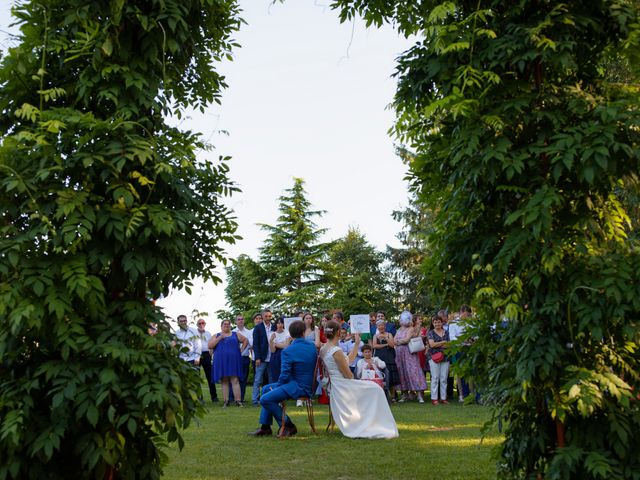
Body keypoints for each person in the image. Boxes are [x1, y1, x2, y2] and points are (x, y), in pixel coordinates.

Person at [320, 320, 398, 439]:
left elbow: (348, 360)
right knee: (376, 389)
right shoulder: (336, 351)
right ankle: (372, 422)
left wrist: (357, 343)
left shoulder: (324, 348)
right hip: (342, 385)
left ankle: (370, 420)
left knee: (373, 387)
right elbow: (348, 375)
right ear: (337, 333)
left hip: (336, 384)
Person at [248, 320, 317, 437]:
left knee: (265, 399)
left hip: (297, 387)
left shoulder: (288, 350)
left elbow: (284, 374)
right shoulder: (311, 346)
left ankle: (288, 425)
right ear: (304, 332)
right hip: (306, 385)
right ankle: (265, 427)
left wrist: (279, 385)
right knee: (265, 388)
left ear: (290, 334)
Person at [209, 320, 248, 407]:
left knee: (235, 379)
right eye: (224, 324)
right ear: (221, 326)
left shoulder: (235, 334)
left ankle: (238, 401)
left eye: (228, 324)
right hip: (221, 360)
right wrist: (219, 338)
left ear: (230, 325)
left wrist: (241, 351)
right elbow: (210, 346)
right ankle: (226, 401)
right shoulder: (216, 335)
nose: (226, 325)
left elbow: (245, 340)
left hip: (234, 360)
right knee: (224, 380)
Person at [394, 311, 427, 403]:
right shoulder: (399, 329)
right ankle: (405, 395)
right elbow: (394, 339)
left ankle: (419, 395)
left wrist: (398, 341)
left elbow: (407, 339)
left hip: (409, 354)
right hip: (399, 354)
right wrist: (399, 341)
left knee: (414, 371)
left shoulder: (411, 329)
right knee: (402, 372)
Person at [372, 319, 400, 401]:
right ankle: (382, 396)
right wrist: (386, 344)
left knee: (391, 378)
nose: (381, 327)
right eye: (379, 325)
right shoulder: (375, 336)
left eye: (382, 325)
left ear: (385, 326)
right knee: (380, 376)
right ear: (377, 327)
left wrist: (386, 338)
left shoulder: (389, 334)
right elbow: (374, 346)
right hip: (379, 357)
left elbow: (391, 345)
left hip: (389, 357)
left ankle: (393, 397)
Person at [427, 314, 450, 405]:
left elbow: (450, 344)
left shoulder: (447, 332)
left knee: (444, 378)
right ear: (433, 323)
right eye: (435, 322)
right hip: (434, 357)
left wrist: (438, 344)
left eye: (439, 322)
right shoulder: (430, 333)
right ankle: (434, 398)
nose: (437, 324)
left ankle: (443, 398)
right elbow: (432, 345)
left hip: (445, 357)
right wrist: (444, 342)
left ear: (441, 323)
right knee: (435, 378)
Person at [252, 310, 273, 406]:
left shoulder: (275, 327)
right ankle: (255, 400)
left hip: (272, 357)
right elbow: (255, 344)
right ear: (263, 317)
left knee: (271, 380)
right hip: (262, 358)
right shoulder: (258, 328)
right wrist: (257, 358)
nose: (268, 318)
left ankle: (271, 398)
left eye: (269, 316)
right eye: (266, 316)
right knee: (258, 380)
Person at [195, 318, 218, 403]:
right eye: (199, 323)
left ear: (205, 324)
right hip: (197, 355)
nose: (201, 324)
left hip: (206, 355)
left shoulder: (208, 333)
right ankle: (199, 397)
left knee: (210, 376)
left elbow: (211, 344)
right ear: (197, 324)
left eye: (203, 323)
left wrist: (210, 354)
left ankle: (214, 397)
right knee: (197, 377)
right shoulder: (194, 333)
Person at [231, 314, 253, 402]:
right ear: (236, 321)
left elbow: (251, 344)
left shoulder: (249, 332)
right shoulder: (232, 332)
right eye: (238, 319)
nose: (240, 321)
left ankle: (241, 398)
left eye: (242, 319)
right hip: (234, 358)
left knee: (243, 379)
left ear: (244, 321)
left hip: (244, 357)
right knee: (233, 378)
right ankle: (232, 398)